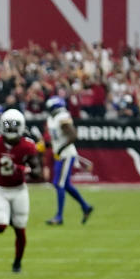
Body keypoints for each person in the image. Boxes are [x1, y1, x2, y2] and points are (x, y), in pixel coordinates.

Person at [0, 109, 42, 272]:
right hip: (0, 189)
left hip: (19, 190)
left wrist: (22, 169)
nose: (11, 129)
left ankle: (17, 263)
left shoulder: (27, 145)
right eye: (8, 126)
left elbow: (37, 171)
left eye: (14, 126)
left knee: (20, 230)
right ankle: (9, 218)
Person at [45, 96, 94, 225]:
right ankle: (85, 206)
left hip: (65, 155)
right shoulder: (52, 119)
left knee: (58, 184)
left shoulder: (62, 117)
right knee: (65, 185)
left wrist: (60, 149)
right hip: (60, 154)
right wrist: (47, 145)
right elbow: (58, 138)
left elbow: (73, 135)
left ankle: (59, 217)